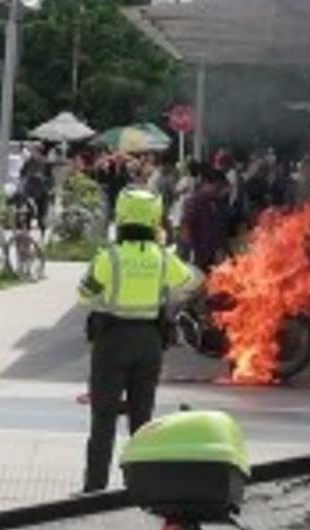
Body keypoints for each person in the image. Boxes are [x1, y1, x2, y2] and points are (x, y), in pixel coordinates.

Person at [77, 187, 202, 493]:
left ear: (121, 216)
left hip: (112, 341)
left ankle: (94, 488)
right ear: (154, 219)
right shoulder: (162, 258)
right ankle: (139, 487)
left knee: (103, 418)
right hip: (149, 342)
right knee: (142, 419)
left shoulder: (109, 257)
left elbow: (83, 295)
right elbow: (190, 281)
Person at [180, 168, 230, 272]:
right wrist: (191, 252)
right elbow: (185, 228)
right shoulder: (193, 202)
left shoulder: (218, 203)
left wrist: (223, 249)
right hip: (198, 256)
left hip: (215, 256)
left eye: (221, 187)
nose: (219, 190)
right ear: (206, 183)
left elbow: (221, 229)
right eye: (217, 187)